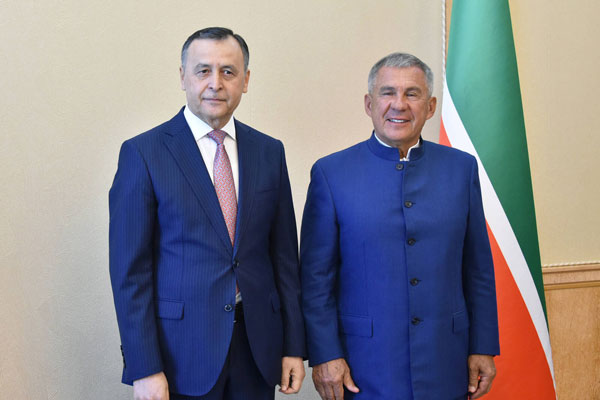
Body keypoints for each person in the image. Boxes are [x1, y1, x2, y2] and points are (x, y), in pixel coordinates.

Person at [109, 27, 305, 400]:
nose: (215, 83)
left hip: (257, 349)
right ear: (183, 77)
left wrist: (293, 345)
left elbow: (284, 259)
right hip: (180, 355)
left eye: (228, 71)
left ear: (245, 80)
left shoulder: (269, 152)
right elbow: (129, 274)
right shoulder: (144, 153)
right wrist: (144, 367)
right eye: (203, 71)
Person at [300, 52, 499, 400]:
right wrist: (325, 354)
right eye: (388, 92)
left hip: (446, 360)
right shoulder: (331, 174)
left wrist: (483, 345)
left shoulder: (461, 169)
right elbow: (316, 280)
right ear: (369, 104)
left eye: (412, 93)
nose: (399, 104)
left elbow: (478, 268)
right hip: (365, 366)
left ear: (431, 106)